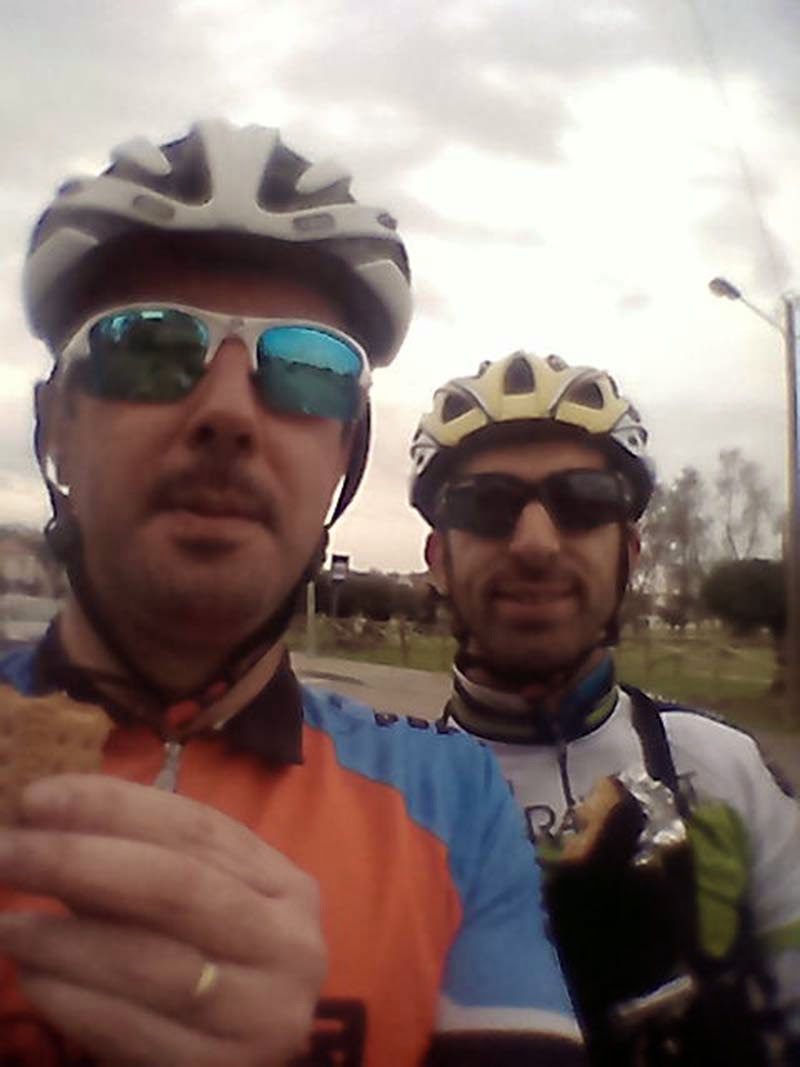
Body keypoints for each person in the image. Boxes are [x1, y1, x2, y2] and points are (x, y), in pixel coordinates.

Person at [0, 123, 585, 1066]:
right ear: (54, 424)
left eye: (308, 368)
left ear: (346, 454)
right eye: (148, 346)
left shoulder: (454, 800)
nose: (228, 413)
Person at [410, 349, 800, 1066]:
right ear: (437, 559)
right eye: (487, 505)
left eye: (584, 501)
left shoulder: (724, 767)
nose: (535, 544)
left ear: (630, 550)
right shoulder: (388, 796)